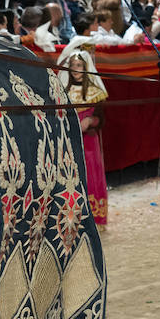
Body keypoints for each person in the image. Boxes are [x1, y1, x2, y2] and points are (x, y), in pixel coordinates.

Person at [59, 38, 109, 224]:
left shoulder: (95, 92)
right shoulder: (64, 92)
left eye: (80, 65)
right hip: (70, 141)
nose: (76, 70)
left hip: (89, 141)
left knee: (91, 174)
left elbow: (101, 118)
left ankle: (95, 216)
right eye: (73, 66)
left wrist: (91, 121)